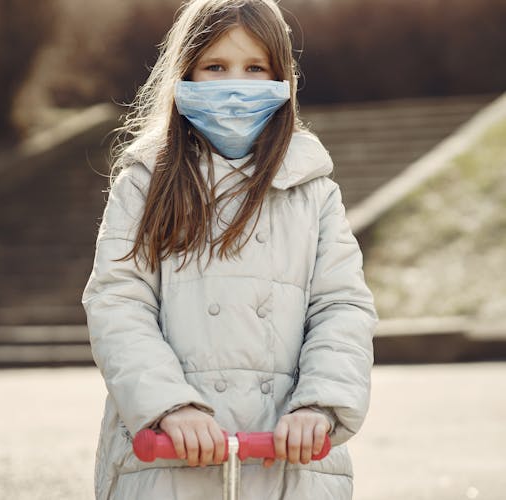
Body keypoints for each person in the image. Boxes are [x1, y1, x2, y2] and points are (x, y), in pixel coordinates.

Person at [81, 0, 378, 498]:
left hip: (290, 456)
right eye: (215, 67)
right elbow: (118, 300)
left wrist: (319, 404)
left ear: (282, 79)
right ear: (188, 76)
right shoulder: (145, 181)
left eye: (254, 68)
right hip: (170, 455)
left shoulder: (314, 188)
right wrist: (169, 405)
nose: (234, 84)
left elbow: (341, 305)